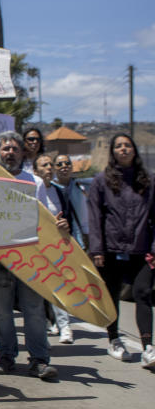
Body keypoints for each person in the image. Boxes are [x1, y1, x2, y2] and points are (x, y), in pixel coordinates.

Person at [0, 130, 64, 380]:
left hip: (30, 258)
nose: (10, 153)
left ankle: (39, 360)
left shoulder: (36, 183)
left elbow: (47, 220)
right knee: (2, 311)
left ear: (23, 153)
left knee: (34, 310)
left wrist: (59, 227)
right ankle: (6, 356)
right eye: (5, 149)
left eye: (15, 148)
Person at [88, 133, 155, 363]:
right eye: (118, 146)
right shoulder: (100, 181)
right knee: (111, 295)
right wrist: (96, 250)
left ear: (134, 150)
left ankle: (148, 347)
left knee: (143, 293)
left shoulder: (148, 181)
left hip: (141, 249)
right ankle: (114, 339)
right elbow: (95, 218)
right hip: (110, 250)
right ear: (113, 152)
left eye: (127, 145)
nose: (123, 149)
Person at [33, 153, 74, 344]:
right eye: (44, 165)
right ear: (35, 171)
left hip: (57, 246)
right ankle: (47, 326)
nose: (49, 168)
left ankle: (65, 327)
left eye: (51, 164)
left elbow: (68, 218)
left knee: (61, 287)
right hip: (37, 247)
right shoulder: (31, 189)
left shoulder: (59, 191)